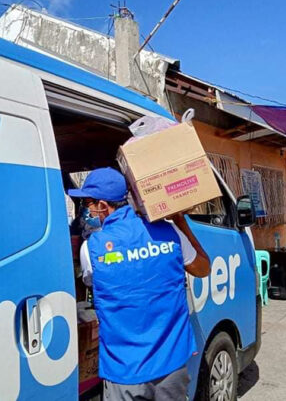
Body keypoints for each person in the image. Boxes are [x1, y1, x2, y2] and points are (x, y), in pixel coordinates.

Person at [68, 167, 211, 400]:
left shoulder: (91, 248)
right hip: (171, 363)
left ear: (103, 206)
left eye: (87, 203)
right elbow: (203, 268)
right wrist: (180, 222)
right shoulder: (170, 233)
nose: (86, 210)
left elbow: (91, 282)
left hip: (125, 369)